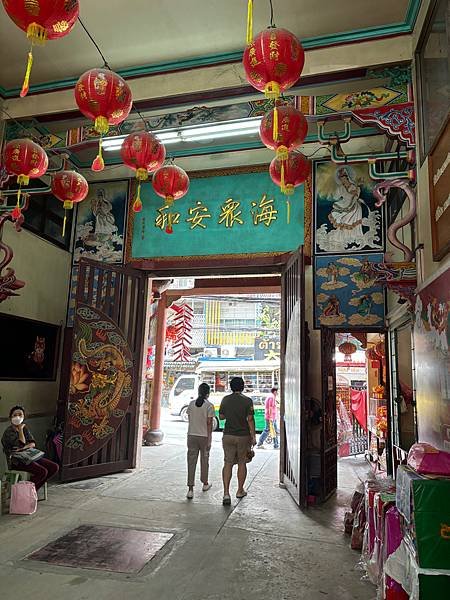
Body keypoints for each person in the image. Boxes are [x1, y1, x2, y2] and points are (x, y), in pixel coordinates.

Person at [1, 405, 59, 491]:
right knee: (42, 472)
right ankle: (26, 491)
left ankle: (32, 490)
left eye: (20, 415)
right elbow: (21, 444)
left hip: (29, 456)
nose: (17, 417)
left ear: (24, 417)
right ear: (10, 417)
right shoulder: (9, 432)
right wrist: (20, 430)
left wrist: (24, 447)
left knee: (54, 467)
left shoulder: (25, 429)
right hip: (16, 461)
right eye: (15, 415)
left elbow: (32, 443)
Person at [219, 377, 256, 505]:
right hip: (243, 436)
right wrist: (253, 436)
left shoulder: (225, 399)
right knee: (242, 462)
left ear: (231, 386)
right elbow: (250, 419)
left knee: (228, 463)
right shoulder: (247, 401)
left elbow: (221, 417)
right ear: (242, 386)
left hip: (228, 435)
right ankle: (240, 490)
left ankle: (225, 494)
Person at [186, 383, 214, 500]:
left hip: (191, 435)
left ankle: (190, 489)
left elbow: (189, 418)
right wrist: (209, 440)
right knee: (204, 460)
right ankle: (205, 483)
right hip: (203, 436)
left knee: (191, 461)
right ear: (208, 393)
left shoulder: (192, 404)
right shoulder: (209, 406)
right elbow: (209, 424)